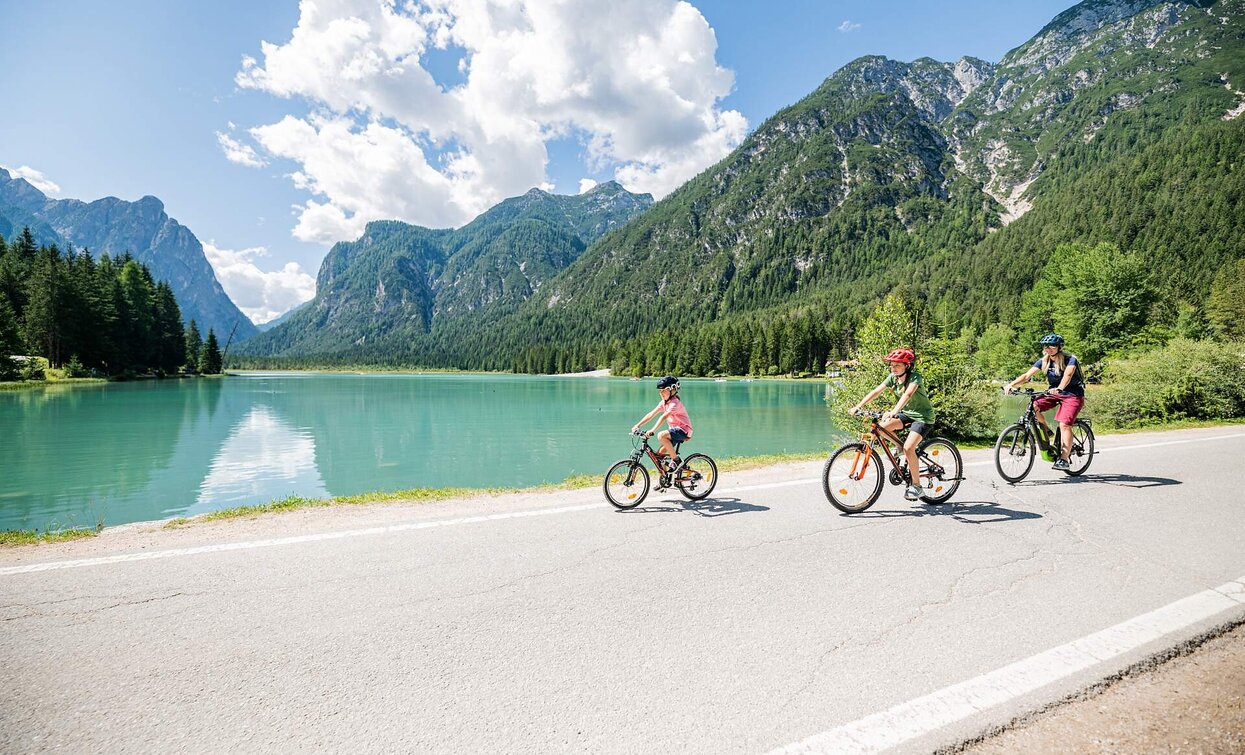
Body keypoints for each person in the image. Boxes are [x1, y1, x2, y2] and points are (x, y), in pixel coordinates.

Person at [849, 348, 936, 501]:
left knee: (910, 448)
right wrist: (859, 405)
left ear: (907, 366)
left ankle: (917, 486)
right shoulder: (893, 378)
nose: (893, 368)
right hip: (907, 414)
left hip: (923, 417)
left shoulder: (915, 378)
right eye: (891, 365)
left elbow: (908, 395)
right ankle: (899, 446)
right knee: (882, 427)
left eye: (897, 365)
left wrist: (894, 411)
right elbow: (876, 391)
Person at [1005, 333, 1086, 471]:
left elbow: (1068, 374)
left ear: (1059, 347)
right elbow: (1026, 376)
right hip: (1053, 392)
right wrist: (1010, 385)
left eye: (1052, 346)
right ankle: (1046, 429)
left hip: (1073, 394)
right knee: (1034, 406)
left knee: (1064, 425)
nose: (1049, 348)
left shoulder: (1070, 359)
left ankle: (1064, 459)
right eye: (1046, 346)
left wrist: (1060, 388)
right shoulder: (1044, 361)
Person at [631, 376, 692, 471]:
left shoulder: (675, 404)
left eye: (664, 390)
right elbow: (651, 414)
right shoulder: (663, 403)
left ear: (673, 390)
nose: (661, 393)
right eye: (660, 391)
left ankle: (676, 460)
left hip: (683, 430)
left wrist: (652, 430)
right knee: (659, 456)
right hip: (674, 432)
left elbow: (663, 417)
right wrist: (637, 425)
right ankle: (664, 480)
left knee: (661, 435)